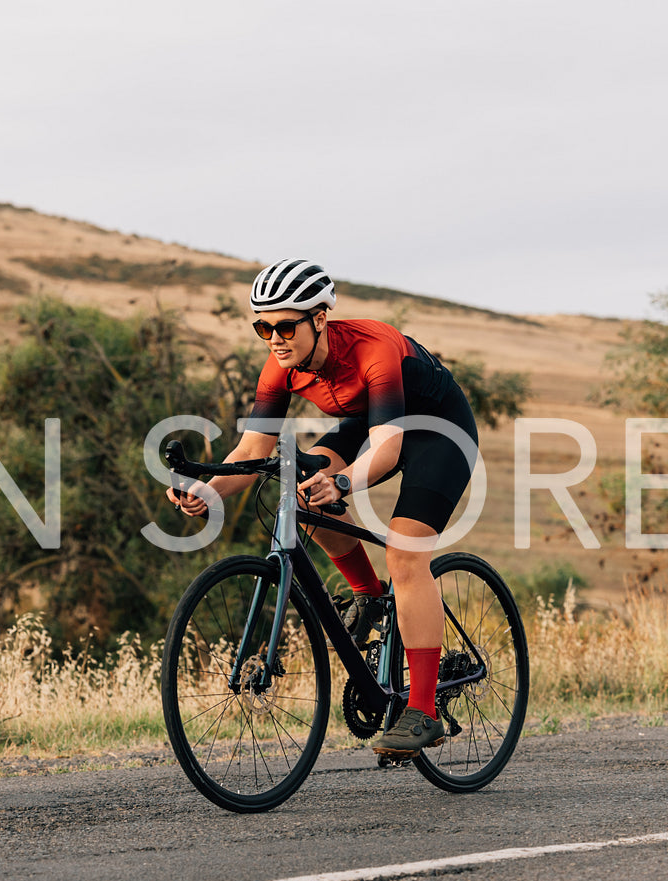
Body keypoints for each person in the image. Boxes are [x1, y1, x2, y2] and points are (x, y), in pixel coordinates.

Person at [166, 258, 479, 757]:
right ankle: (368, 596)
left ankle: (423, 710)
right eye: (262, 326)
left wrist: (342, 483)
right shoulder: (280, 366)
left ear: (319, 319)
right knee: (303, 493)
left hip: (440, 432)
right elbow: (252, 451)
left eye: (285, 325)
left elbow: (388, 449)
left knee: (404, 552)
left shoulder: (372, 349)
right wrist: (207, 492)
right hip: (374, 423)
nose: (274, 338)